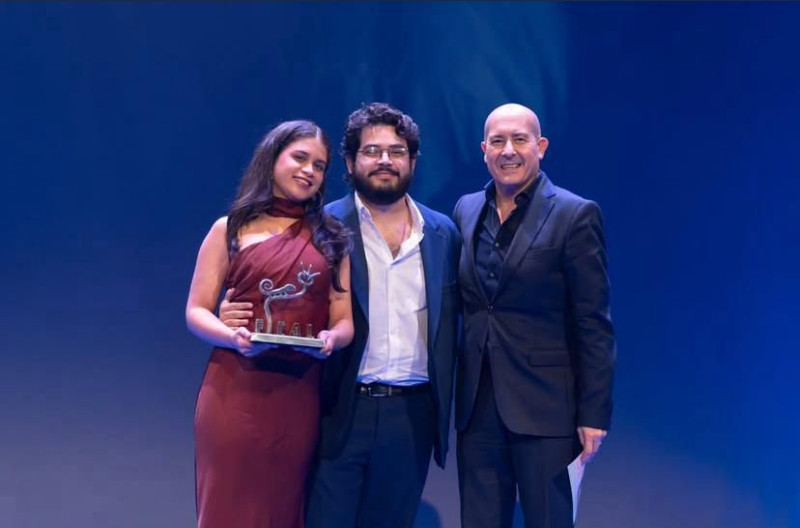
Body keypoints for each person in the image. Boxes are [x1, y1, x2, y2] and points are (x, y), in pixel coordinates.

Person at [220, 102, 461, 528]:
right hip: (337, 409)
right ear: (350, 162)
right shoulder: (320, 228)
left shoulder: (444, 233)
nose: (385, 160)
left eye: (397, 151)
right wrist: (232, 311)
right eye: (372, 150)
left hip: (413, 415)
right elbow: (279, 293)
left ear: (413, 160)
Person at [452, 103, 616, 528]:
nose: (509, 151)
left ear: (540, 147)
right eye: (498, 142)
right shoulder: (466, 210)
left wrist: (593, 413)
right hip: (478, 408)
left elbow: (592, 321)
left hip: (547, 409)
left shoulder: (574, 213)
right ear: (484, 149)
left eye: (520, 140)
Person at [185, 120, 355, 528]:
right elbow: (196, 311)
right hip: (234, 391)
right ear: (272, 158)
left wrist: (334, 338)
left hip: (297, 395)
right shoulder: (229, 230)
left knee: (281, 509)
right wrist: (231, 336)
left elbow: (344, 317)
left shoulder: (331, 237)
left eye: (319, 165)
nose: (309, 171)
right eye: (300, 158)